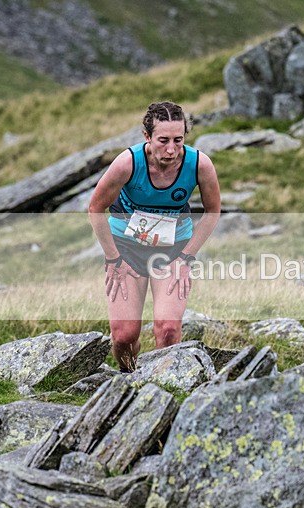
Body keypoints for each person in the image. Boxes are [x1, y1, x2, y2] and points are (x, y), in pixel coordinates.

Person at [88, 101, 221, 372]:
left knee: (168, 329)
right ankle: (129, 378)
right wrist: (113, 259)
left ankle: (163, 384)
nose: (171, 149)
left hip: (172, 250)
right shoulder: (128, 163)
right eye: (163, 140)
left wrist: (186, 257)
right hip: (127, 249)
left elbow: (213, 211)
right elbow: (95, 208)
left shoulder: (199, 164)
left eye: (178, 140)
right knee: (124, 336)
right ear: (147, 136)